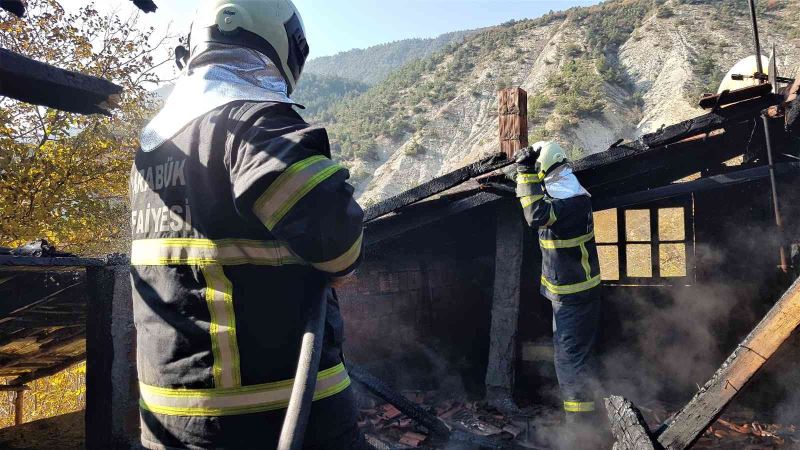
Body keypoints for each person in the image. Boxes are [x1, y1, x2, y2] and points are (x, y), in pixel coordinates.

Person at [129, 1, 366, 448]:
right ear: (280, 43)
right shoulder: (251, 122)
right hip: (269, 414)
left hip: (170, 420)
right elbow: (336, 239)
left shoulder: (156, 144)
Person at [514, 142, 603, 427]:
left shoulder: (571, 201)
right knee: (575, 356)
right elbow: (538, 198)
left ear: (542, 170)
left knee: (569, 362)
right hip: (567, 293)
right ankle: (585, 416)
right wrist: (518, 175)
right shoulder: (567, 188)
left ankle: (580, 428)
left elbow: (536, 214)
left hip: (574, 297)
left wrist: (524, 174)